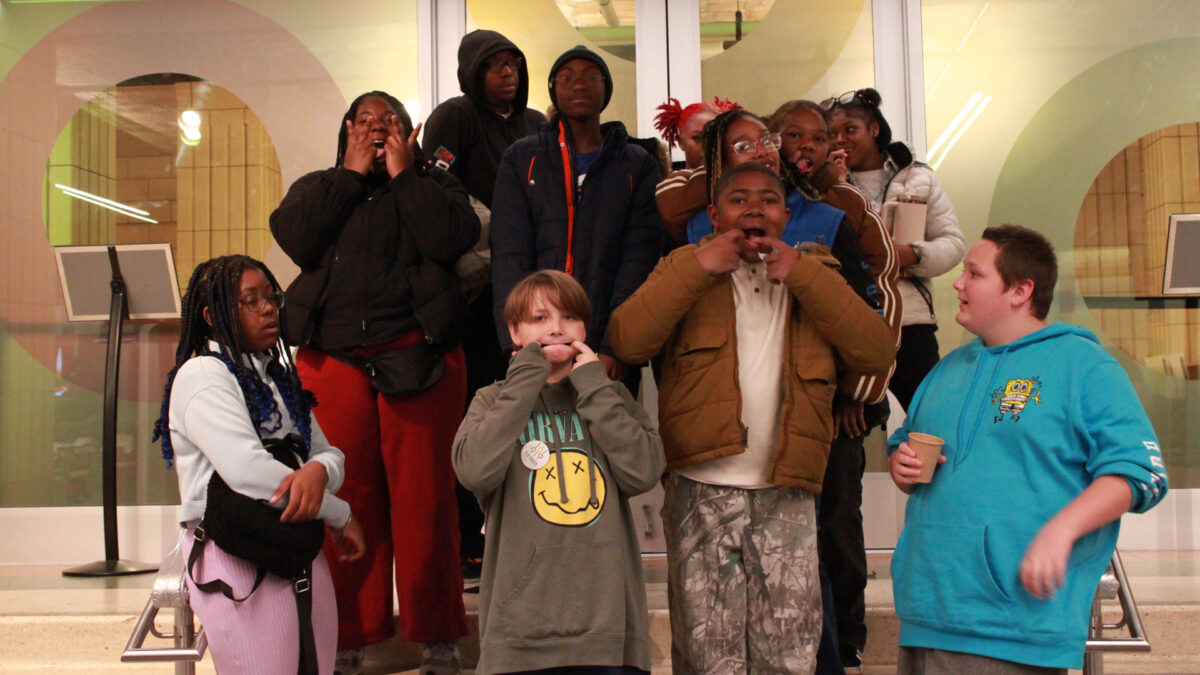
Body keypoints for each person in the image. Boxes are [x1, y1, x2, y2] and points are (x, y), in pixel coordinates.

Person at [609, 162, 896, 673]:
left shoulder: (817, 271)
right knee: (707, 655)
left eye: (768, 200)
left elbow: (876, 353)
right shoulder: (683, 265)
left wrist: (803, 274)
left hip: (787, 487)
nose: (754, 209)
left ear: (786, 216)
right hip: (701, 486)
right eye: (738, 200)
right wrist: (700, 266)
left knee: (788, 653)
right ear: (714, 214)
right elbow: (629, 340)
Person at [887, 225, 1168, 673]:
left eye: (974, 274)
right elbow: (906, 444)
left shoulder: (1083, 365)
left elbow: (1140, 473)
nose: (958, 284)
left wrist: (1061, 530)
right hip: (926, 615)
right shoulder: (947, 369)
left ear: (1021, 290)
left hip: (1013, 629)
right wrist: (899, 462)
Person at [270, 90, 480, 674]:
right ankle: (348, 635)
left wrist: (406, 176)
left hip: (420, 352)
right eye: (364, 121)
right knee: (342, 498)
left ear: (409, 134)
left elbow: (450, 239)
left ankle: (437, 634)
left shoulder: (435, 183)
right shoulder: (320, 185)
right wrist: (349, 175)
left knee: (425, 497)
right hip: (333, 357)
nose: (376, 128)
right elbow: (297, 240)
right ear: (346, 132)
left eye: (389, 120)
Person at [153, 255, 366, 674]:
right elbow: (247, 471)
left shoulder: (276, 377)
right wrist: (337, 512)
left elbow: (329, 453)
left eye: (271, 297)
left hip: (293, 540)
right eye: (250, 300)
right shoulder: (202, 375)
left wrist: (319, 471)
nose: (268, 309)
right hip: (231, 549)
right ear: (213, 316)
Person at [452, 270, 665, 674]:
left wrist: (594, 386)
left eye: (569, 317)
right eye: (539, 318)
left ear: (585, 328)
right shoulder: (492, 400)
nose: (555, 328)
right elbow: (474, 472)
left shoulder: (611, 396)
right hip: (519, 634)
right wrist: (523, 382)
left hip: (608, 632)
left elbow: (643, 473)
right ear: (514, 332)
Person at [770, 98, 904, 673]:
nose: (807, 147)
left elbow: (877, 303)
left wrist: (858, 393)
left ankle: (846, 639)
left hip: (836, 402)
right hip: (771, 402)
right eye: (792, 136)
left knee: (836, 522)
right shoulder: (737, 204)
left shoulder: (845, 208)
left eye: (819, 138)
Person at [422, 29, 547, 593]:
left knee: (529, 414)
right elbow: (437, 187)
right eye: (494, 65)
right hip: (474, 295)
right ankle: (468, 547)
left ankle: (528, 536)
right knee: (480, 417)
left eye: (513, 63)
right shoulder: (455, 117)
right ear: (472, 72)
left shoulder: (534, 124)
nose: (507, 73)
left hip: (528, 291)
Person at [490, 45, 663, 387]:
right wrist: (516, 339)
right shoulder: (522, 158)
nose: (579, 85)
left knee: (607, 419)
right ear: (553, 90)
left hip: (606, 345)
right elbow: (509, 253)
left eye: (590, 77)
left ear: (606, 89)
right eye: (567, 78)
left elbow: (639, 259)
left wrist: (616, 345)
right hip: (536, 342)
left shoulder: (636, 163)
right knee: (539, 424)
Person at [825, 87, 966, 412]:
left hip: (910, 321)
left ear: (874, 129)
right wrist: (835, 185)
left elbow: (953, 243)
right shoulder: (827, 186)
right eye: (831, 134)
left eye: (850, 129)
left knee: (930, 415)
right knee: (855, 420)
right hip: (854, 323)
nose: (840, 140)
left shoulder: (919, 177)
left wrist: (910, 256)